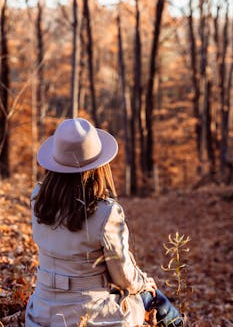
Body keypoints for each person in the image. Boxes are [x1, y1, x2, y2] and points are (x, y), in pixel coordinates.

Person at [25, 118, 184, 327]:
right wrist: (145, 282)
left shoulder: (38, 199)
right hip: (92, 315)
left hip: (43, 313)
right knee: (156, 298)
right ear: (98, 167)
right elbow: (123, 277)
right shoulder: (106, 212)